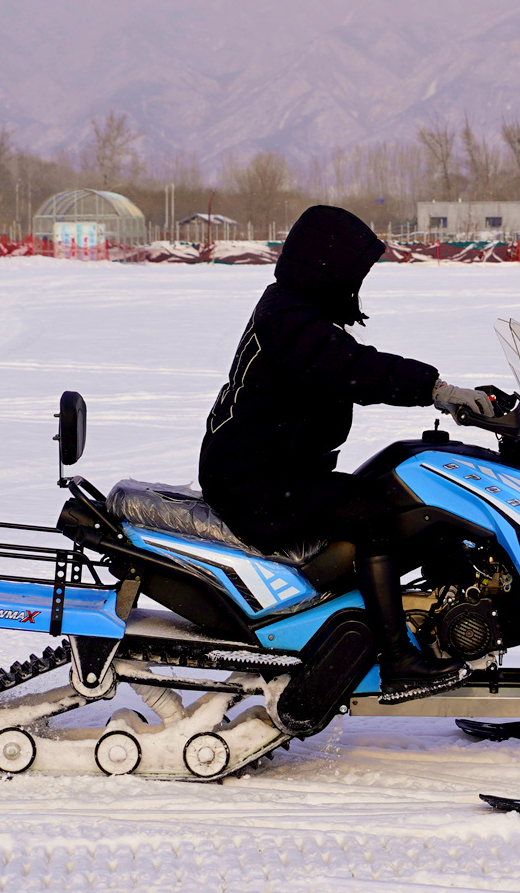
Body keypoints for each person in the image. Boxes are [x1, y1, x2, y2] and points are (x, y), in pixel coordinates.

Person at [199, 204, 496, 700]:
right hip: (256, 483)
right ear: (325, 266)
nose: (358, 283)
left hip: (273, 471)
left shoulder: (295, 309)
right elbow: (351, 368)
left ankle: (454, 624)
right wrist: (436, 389)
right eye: (354, 272)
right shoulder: (289, 319)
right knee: (375, 519)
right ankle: (399, 659)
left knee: (402, 492)